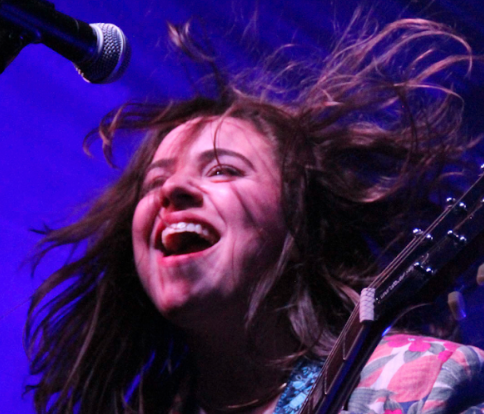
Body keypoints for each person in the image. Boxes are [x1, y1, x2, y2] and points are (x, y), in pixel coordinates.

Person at [25, 16, 484, 414]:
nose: (172, 190)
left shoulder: (418, 382)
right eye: (153, 182)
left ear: (300, 221)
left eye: (222, 170)